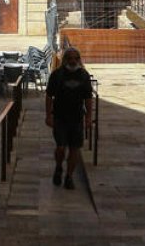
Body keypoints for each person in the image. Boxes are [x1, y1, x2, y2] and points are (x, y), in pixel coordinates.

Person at [45, 47, 93, 190]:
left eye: (75, 58)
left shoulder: (84, 76)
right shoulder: (57, 75)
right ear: (65, 60)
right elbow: (49, 96)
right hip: (60, 117)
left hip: (77, 118)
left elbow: (88, 98)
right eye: (70, 58)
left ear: (79, 60)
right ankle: (59, 166)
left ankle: (69, 176)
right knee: (60, 147)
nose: (72, 61)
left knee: (74, 149)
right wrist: (48, 115)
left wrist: (89, 117)